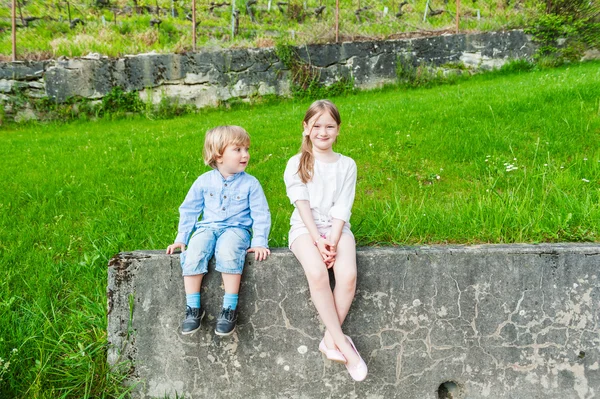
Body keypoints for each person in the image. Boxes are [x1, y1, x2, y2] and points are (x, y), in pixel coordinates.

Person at [283, 100, 367, 381]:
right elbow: (301, 204)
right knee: (318, 273)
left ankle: (328, 340)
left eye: (329, 126)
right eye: (316, 125)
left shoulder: (347, 165)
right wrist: (318, 242)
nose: (323, 131)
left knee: (348, 276)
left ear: (338, 129)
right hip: (305, 230)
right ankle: (342, 342)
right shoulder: (297, 163)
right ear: (305, 128)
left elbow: (343, 206)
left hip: (337, 229)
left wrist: (331, 240)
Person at [166, 125, 271, 337]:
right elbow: (189, 210)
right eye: (238, 149)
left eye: (246, 149)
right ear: (218, 155)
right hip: (208, 228)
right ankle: (193, 308)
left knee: (228, 251)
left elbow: (261, 214)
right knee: (195, 251)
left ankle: (229, 309)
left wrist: (259, 241)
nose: (245, 155)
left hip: (236, 229)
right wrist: (181, 238)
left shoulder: (251, 184)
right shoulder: (203, 181)